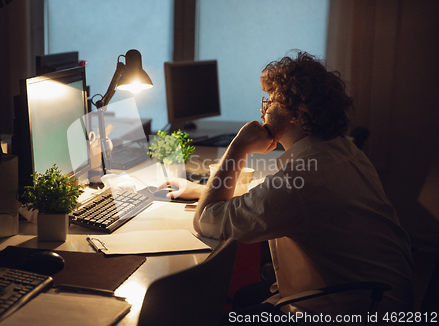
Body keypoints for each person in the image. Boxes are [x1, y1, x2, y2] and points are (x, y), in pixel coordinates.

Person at [159, 50, 415, 325]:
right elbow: (267, 195)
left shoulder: (303, 179)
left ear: (297, 112)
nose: (263, 109)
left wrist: (238, 148)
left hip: (353, 311)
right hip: (381, 298)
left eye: (270, 101)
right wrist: (199, 190)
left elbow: (205, 219)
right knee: (247, 297)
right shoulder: (340, 151)